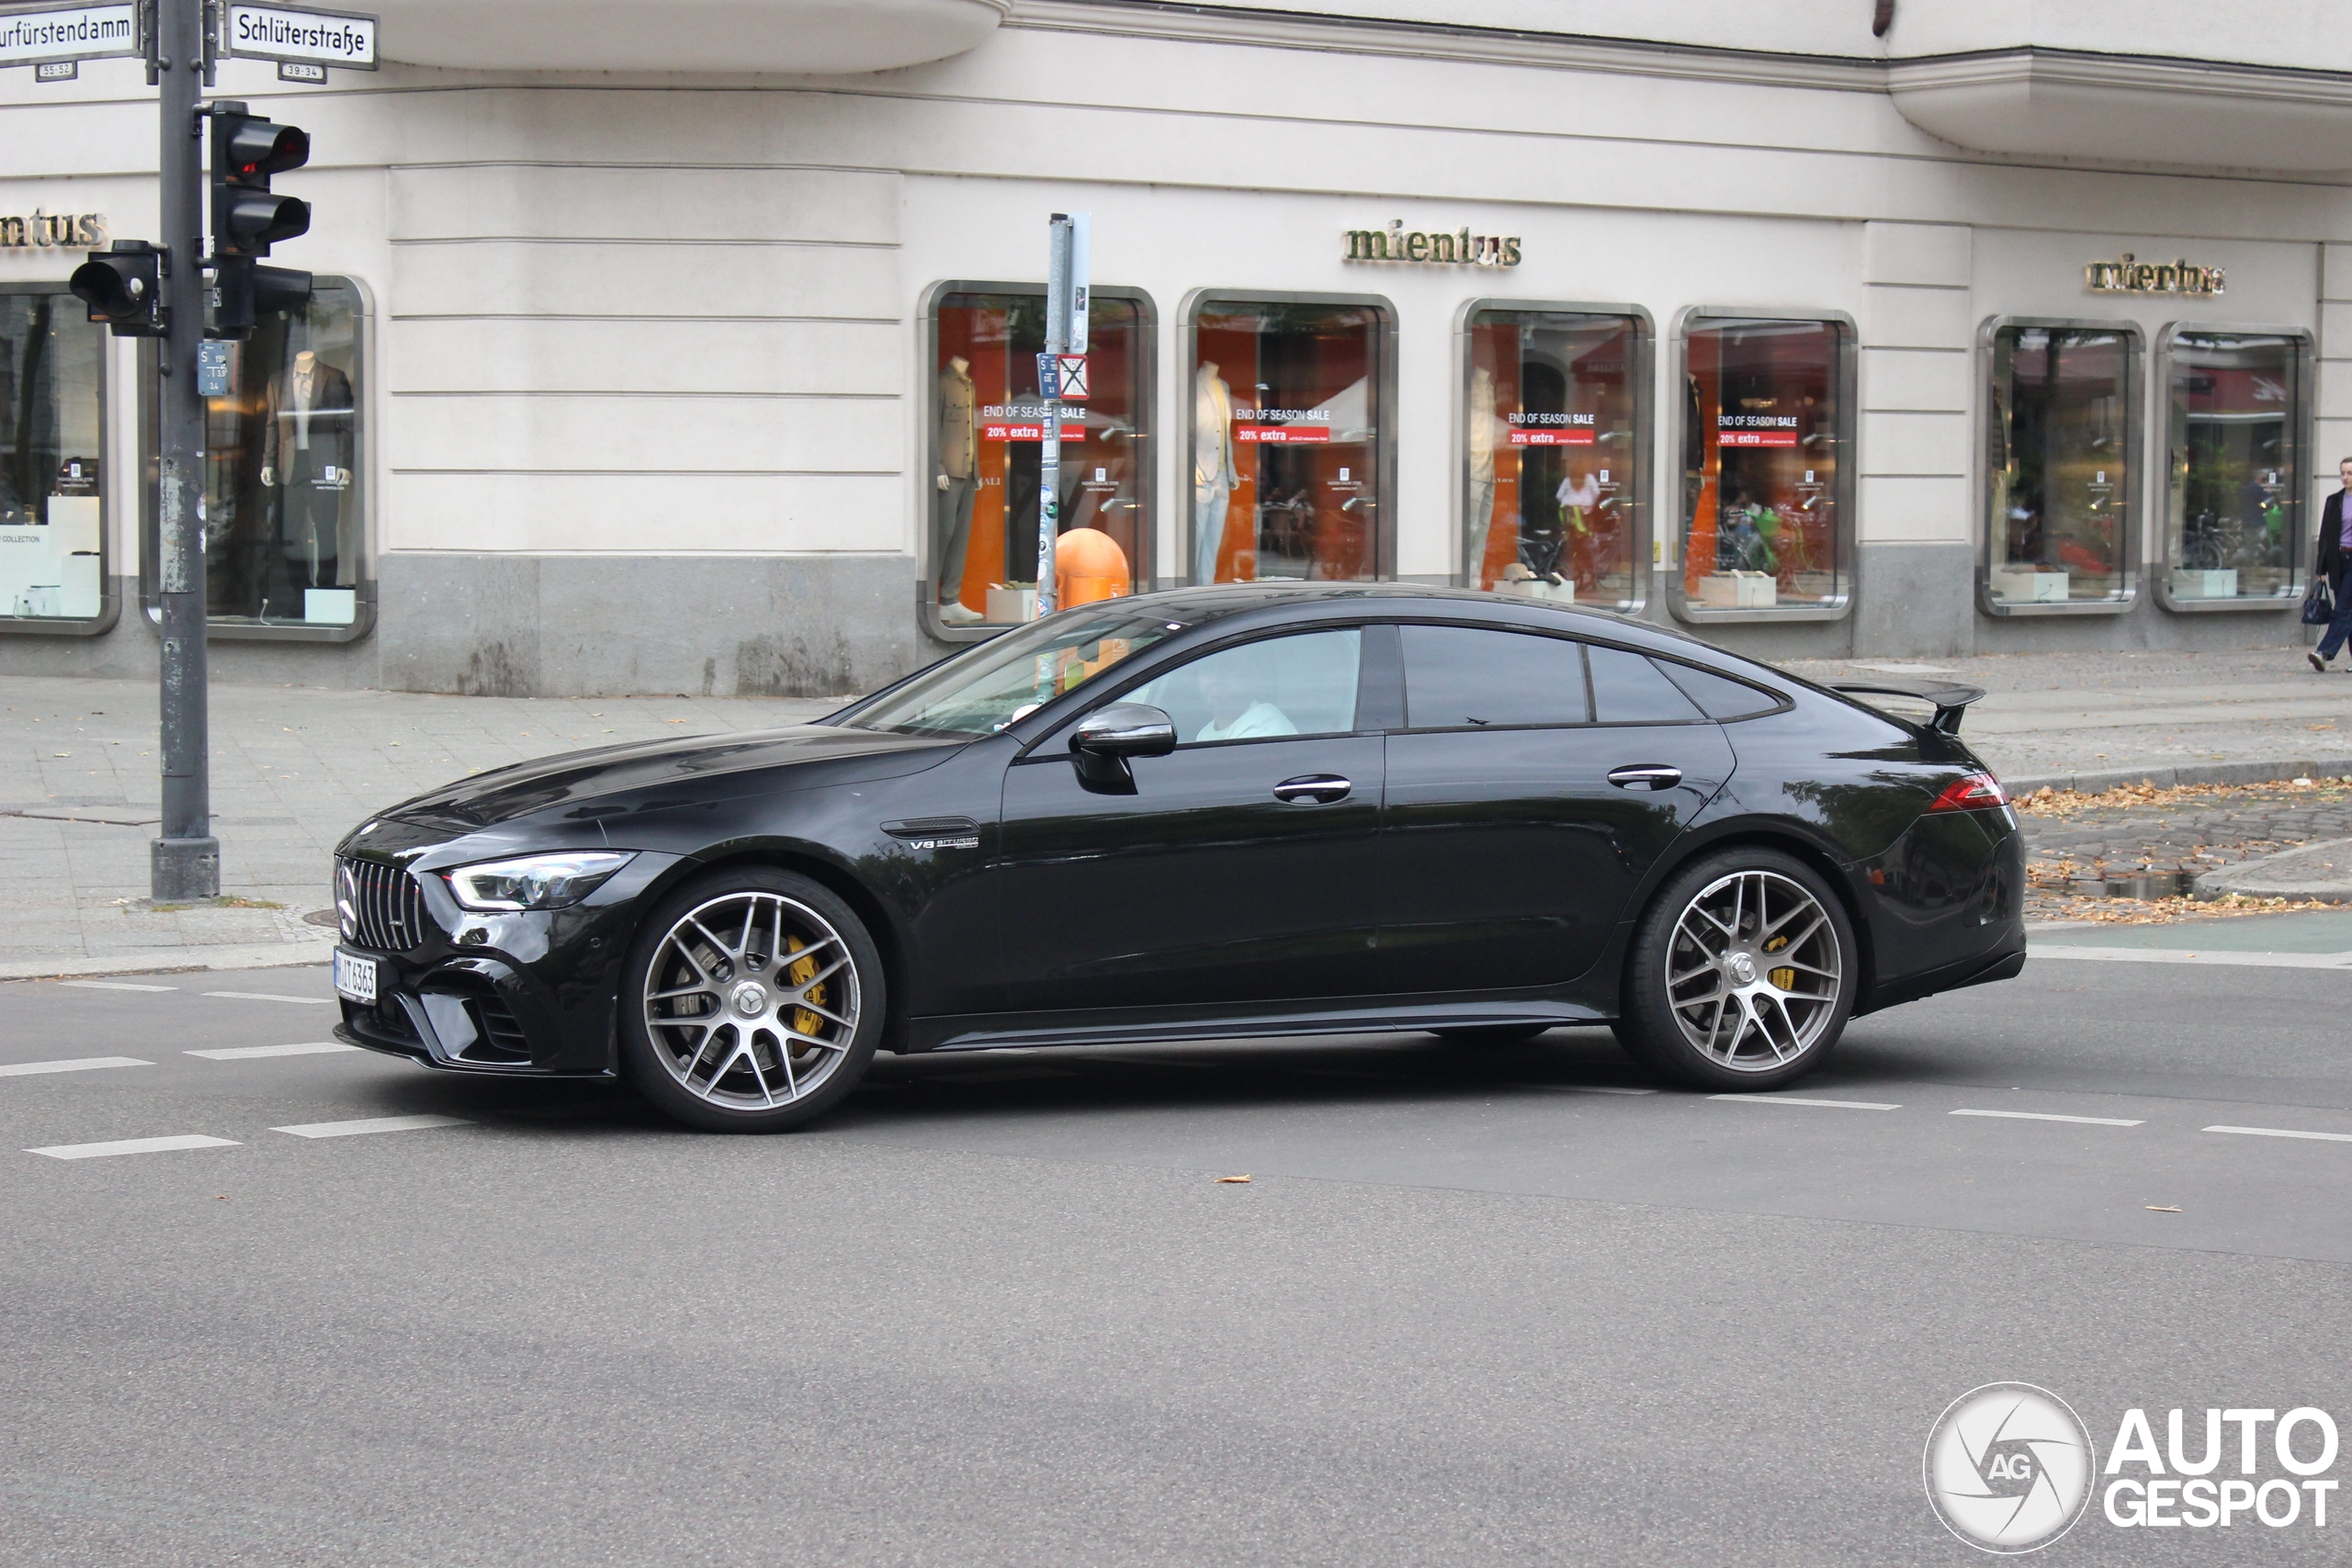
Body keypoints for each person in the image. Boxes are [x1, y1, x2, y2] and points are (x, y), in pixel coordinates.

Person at [2310, 457, 2352, 671]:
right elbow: (2326, 535)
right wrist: (2321, 568)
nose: (2345, 477)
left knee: (2343, 608)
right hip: (2338, 560)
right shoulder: (2334, 500)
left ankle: (2323, 652)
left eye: (2350, 473)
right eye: (2343, 473)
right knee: (2348, 610)